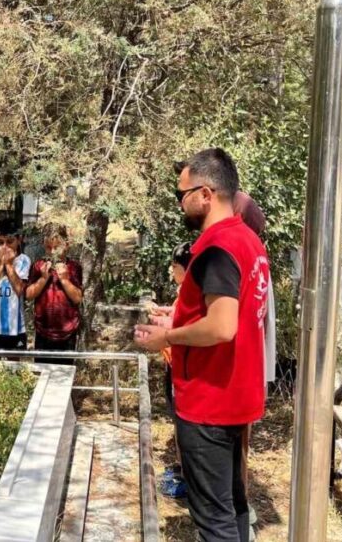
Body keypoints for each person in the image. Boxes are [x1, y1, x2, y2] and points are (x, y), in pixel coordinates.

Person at [135, 148, 270, 542]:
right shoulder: (248, 241)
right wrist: (177, 318)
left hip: (208, 402)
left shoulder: (215, 248)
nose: (180, 203)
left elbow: (222, 326)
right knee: (234, 505)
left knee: (213, 519)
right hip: (236, 397)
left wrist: (167, 337)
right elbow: (236, 315)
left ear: (207, 194)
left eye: (183, 195)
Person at [148, 242, 192, 499]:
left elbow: (182, 325)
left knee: (181, 419)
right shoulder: (183, 291)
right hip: (172, 361)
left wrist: (159, 322)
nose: (171, 270)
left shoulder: (192, 293)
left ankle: (187, 478)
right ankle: (181, 468)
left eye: (174, 266)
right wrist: (164, 311)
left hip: (180, 363)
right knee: (177, 418)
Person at [26, 223, 83, 363]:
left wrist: (64, 279)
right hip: (43, 331)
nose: (52, 252)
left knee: (65, 373)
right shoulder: (38, 266)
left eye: (57, 248)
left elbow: (77, 298)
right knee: (42, 372)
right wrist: (44, 278)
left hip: (67, 331)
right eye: (48, 247)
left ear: (67, 245)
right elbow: (28, 294)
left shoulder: (73, 267)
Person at [0, 218, 32, 349]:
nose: (4, 247)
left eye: (9, 242)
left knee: (15, 366)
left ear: (19, 239)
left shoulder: (24, 261)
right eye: (0, 242)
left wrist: (9, 264)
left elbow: (20, 289)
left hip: (16, 328)